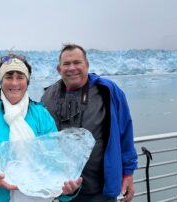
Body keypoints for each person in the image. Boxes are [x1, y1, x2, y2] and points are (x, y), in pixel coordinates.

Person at [0, 53, 82, 202]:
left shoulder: (41, 117)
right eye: (9, 76)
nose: (15, 83)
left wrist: (67, 191)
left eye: (20, 77)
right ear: (1, 80)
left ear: (27, 80)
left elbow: (55, 164)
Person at [41, 44, 138, 202]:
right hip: (65, 191)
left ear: (87, 65)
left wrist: (128, 174)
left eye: (77, 62)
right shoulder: (48, 97)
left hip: (102, 190)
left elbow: (125, 132)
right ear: (59, 69)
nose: (72, 68)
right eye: (66, 64)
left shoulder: (107, 90)